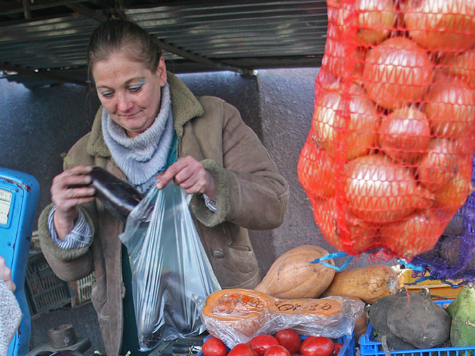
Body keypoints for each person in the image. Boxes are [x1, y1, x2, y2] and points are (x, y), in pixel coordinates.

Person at [37, 19, 289, 356]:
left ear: (160, 71)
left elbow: (274, 202)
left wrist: (214, 184)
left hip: (224, 324)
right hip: (135, 332)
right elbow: (75, 269)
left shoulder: (215, 120)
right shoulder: (84, 156)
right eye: (107, 93)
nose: (123, 106)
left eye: (135, 86)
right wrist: (64, 220)